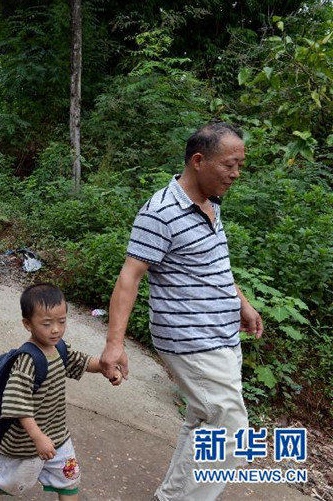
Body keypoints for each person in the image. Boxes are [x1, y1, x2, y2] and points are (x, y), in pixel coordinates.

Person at [99, 122, 263, 501]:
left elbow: (214, 264)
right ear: (199, 161)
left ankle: (170, 496)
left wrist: (241, 302)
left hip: (220, 334)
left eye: (240, 166)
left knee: (204, 420)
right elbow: (129, 277)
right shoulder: (160, 211)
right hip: (191, 340)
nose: (236, 174)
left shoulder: (211, 203)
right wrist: (114, 344)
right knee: (231, 429)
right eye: (229, 165)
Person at [0, 284, 121, 501]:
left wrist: (105, 368)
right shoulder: (27, 360)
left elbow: (80, 361)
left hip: (58, 436)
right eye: (46, 323)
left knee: (69, 479)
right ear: (27, 324)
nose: (56, 330)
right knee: (12, 483)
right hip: (26, 443)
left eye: (62, 321)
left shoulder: (59, 348)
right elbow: (17, 402)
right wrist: (38, 437)